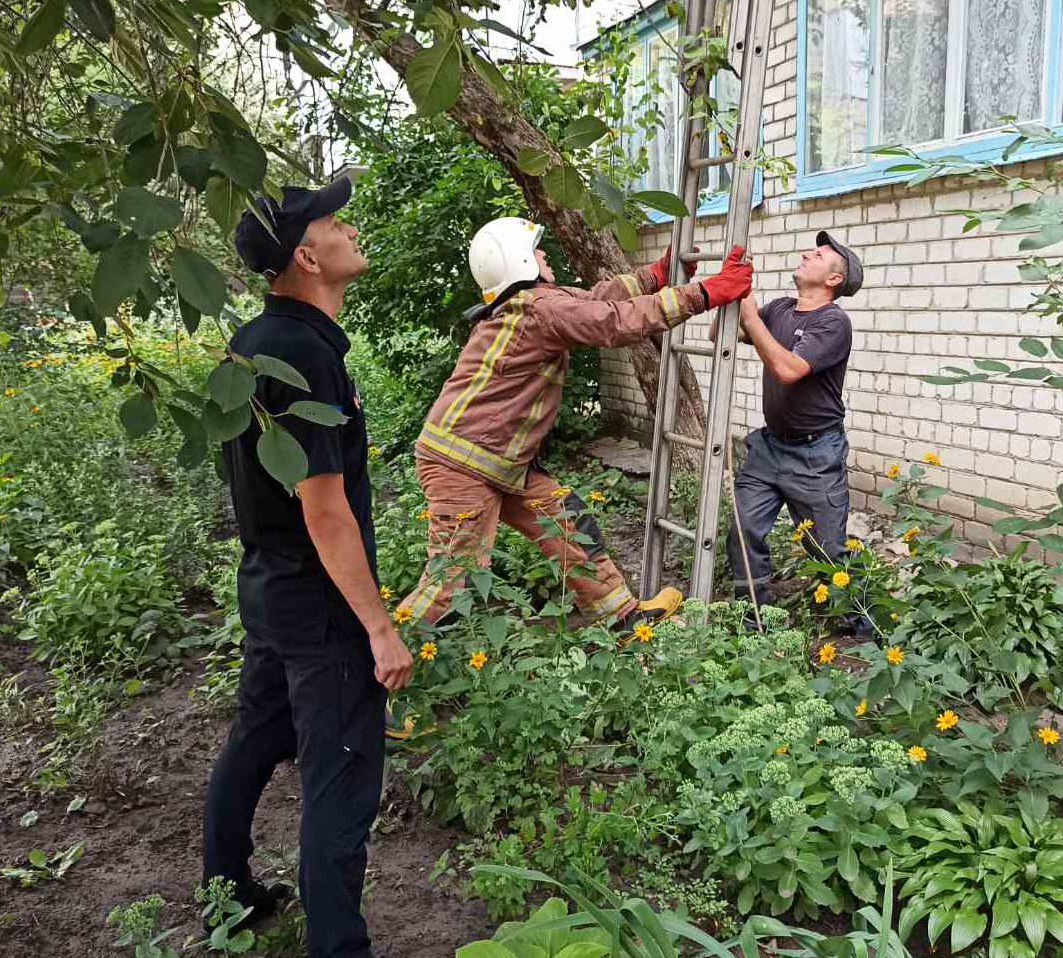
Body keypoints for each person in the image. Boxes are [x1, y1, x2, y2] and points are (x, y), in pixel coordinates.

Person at [202, 176, 411, 958]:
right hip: (321, 609)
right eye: (331, 220)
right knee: (340, 780)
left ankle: (228, 900)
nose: (345, 226)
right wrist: (379, 629)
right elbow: (325, 510)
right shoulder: (302, 356)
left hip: (269, 589)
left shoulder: (255, 342)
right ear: (306, 256)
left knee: (254, 745)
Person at [397, 218, 754, 638]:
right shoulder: (540, 309)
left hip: (497, 463)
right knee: (451, 578)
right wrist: (706, 293)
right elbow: (612, 321)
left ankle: (622, 619)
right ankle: (384, 663)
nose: (545, 255)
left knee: (567, 520)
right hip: (465, 466)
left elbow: (596, 300)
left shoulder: (536, 303)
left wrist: (654, 276)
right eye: (537, 251)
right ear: (521, 262)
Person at [713, 231, 872, 639]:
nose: (806, 253)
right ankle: (752, 621)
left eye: (818, 255)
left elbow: (788, 369)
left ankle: (863, 626)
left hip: (815, 455)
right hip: (770, 447)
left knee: (827, 550)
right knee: (743, 529)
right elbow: (721, 336)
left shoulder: (834, 322)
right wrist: (734, 291)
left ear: (834, 279)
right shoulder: (781, 308)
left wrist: (751, 318)